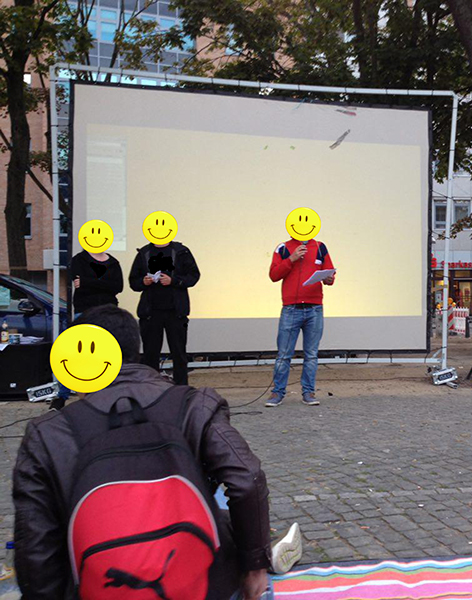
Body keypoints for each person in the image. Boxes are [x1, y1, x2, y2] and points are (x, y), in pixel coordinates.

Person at [13, 305, 301, 599]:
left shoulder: (47, 433)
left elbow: (36, 547)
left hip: (100, 588)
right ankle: (270, 561)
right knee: (208, 492)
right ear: (134, 349)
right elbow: (247, 479)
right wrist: (254, 567)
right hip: (203, 587)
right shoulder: (193, 405)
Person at [266, 238, 335, 407]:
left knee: (311, 354)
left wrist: (328, 279)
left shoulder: (320, 246)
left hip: (314, 308)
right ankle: (277, 392)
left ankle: (308, 392)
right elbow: (274, 276)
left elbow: (330, 275)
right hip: (291, 308)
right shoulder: (283, 247)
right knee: (284, 354)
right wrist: (291, 259)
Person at [53, 246, 124, 409]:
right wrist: (104, 284)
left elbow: (118, 287)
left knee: (109, 352)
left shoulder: (113, 262)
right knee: (74, 352)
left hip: (107, 312)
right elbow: (78, 283)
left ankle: (110, 393)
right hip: (84, 310)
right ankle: (62, 395)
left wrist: (88, 282)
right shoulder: (78, 260)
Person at [129, 237, 200, 385]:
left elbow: (194, 276)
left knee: (179, 353)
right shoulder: (144, 252)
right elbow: (133, 281)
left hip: (176, 311)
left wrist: (173, 281)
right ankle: (151, 388)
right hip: (150, 312)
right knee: (150, 354)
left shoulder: (181, 251)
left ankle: (181, 388)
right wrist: (143, 281)